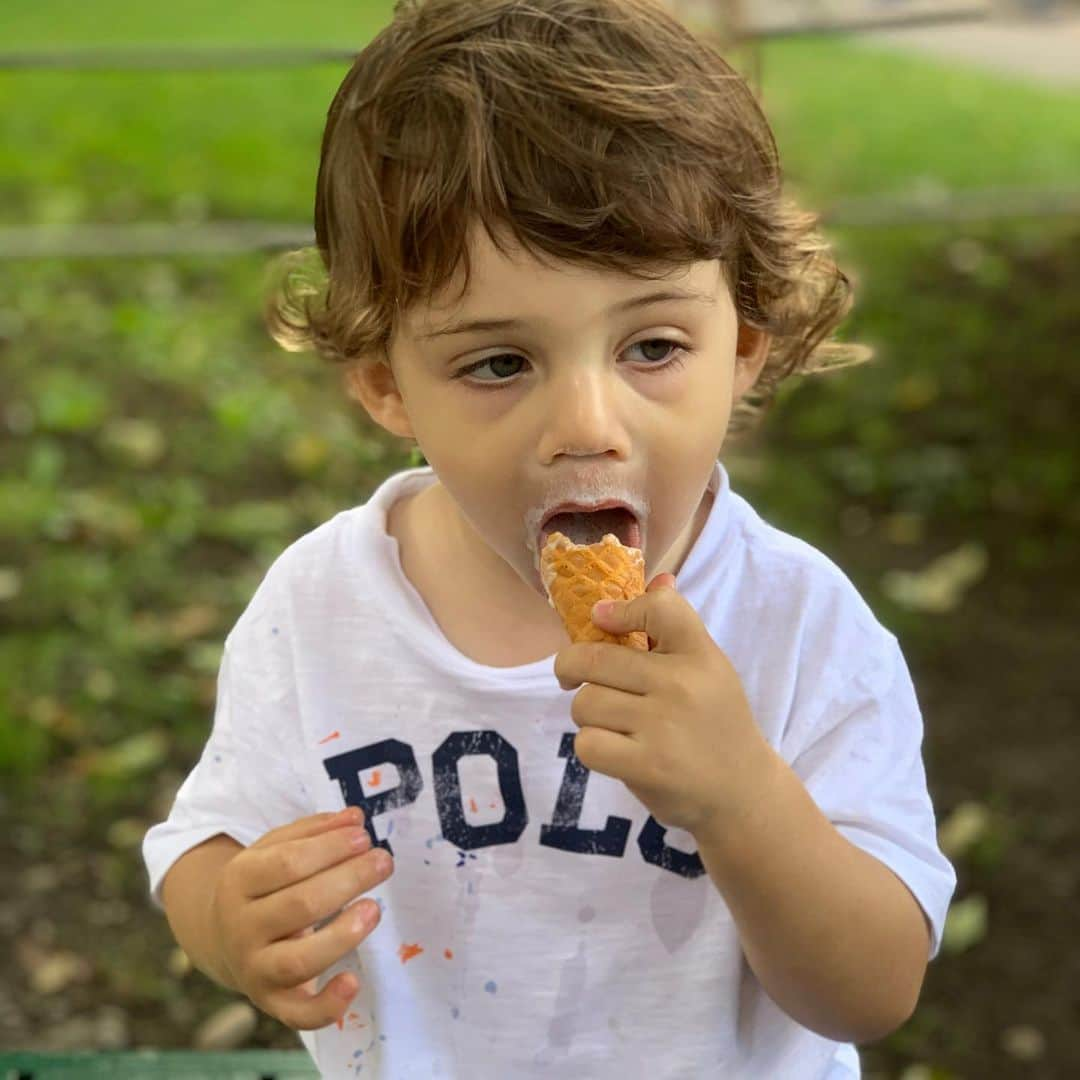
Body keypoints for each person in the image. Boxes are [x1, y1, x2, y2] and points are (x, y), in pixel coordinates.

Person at [142, 1, 957, 1076]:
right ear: (388, 385)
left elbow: (873, 990)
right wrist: (231, 927)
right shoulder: (321, 610)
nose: (585, 425)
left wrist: (741, 799)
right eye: (499, 364)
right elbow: (209, 846)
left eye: (653, 346)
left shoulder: (796, 626)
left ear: (746, 346)